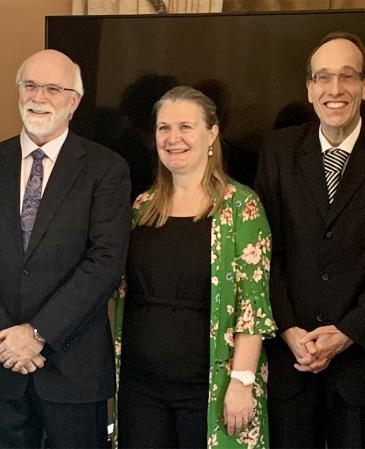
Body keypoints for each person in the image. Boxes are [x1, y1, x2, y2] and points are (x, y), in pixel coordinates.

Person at [254, 32, 365, 448]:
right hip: (292, 364)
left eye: (347, 77)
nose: (334, 89)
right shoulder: (279, 149)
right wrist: (287, 329)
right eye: (323, 78)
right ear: (309, 88)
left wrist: (348, 332)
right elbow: (266, 248)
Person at [0, 49, 130, 448]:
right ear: (18, 92)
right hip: (3, 368)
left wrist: (37, 334)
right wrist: (3, 338)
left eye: (54, 88)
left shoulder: (106, 169)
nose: (40, 97)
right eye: (30, 86)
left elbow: (105, 263)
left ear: (75, 101)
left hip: (73, 366)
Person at [113, 86, 277, 449]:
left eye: (185, 127)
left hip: (210, 388)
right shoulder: (141, 207)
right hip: (140, 387)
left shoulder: (241, 208)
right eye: (163, 128)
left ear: (212, 133)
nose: (173, 139)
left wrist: (242, 381)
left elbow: (253, 307)